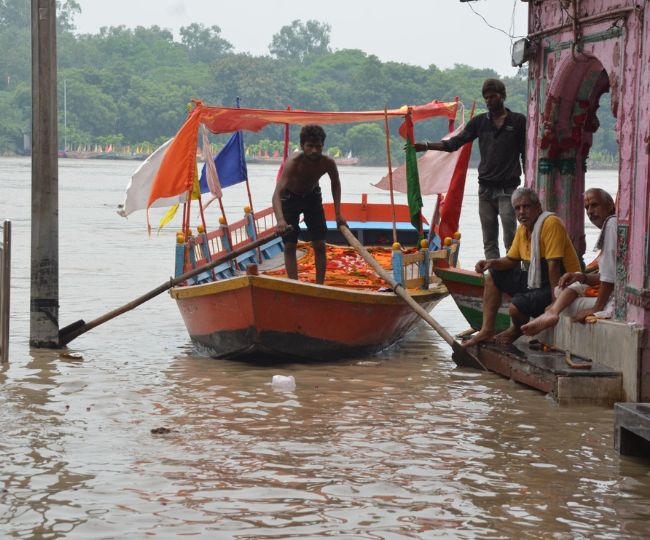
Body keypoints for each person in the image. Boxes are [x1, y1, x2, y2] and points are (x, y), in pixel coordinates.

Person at [414, 78, 526, 259]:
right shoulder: (480, 122)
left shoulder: (518, 121)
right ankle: (495, 278)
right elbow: (454, 144)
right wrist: (426, 145)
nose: (489, 101)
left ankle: (513, 278)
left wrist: (528, 186)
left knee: (511, 239)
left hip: (509, 191)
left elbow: (525, 154)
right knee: (489, 241)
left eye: (493, 97)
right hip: (485, 191)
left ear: (502, 96)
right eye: (486, 98)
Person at [462, 187, 581, 347]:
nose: (521, 212)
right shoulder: (522, 229)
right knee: (494, 275)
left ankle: (516, 330)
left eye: (526, 206)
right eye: (517, 208)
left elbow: (554, 266)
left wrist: (555, 302)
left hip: (561, 282)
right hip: (538, 280)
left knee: (516, 307)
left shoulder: (551, 223)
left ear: (538, 207)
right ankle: (487, 330)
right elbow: (511, 260)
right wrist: (491, 263)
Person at [521, 188, 616, 335]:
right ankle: (552, 312)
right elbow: (607, 275)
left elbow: (609, 279)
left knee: (565, 304)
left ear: (610, 205)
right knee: (567, 288)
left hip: (616, 300)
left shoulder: (611, 224)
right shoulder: (613, 224)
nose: (590, 211)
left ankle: (552, 313)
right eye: (587, 208)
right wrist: (581, 277)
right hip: (610, 291)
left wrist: (596, 308)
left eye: (594, 205)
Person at [272, 125, 346, 285]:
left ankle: (319, 285)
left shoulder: (327, 163)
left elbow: (336, 184)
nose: (314, 150)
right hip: (290, 198)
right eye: (310, 146)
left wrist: (338, 214)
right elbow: (277, 194)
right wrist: (280, 220)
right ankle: (295, 284)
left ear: (322, 146)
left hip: (312, 197)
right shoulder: (293, 162)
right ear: (302, 146)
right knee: (290, 245)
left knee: (319, 243)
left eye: (318, 146)